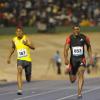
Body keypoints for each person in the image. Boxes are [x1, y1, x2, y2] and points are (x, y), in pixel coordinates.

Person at [64, 25, 92, 99]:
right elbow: (66, 49)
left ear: (79, 30)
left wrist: (90, 57)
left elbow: (89, 46)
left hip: (81, 59)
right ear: (72, 30)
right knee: (72, 80)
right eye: (75, 29)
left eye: (78, 29)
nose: (76, 30)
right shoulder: (69, 38)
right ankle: (71, 71)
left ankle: (79, 93)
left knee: (81, 73)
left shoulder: (84, 37)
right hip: (73, 60)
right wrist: (66, 58)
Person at [7, 26, 35, 95]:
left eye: (20, 31)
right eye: (17, 31)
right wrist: (9, 57)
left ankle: (28, 76)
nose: (18, 33)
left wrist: (27, 44)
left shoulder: (26, 38)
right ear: (15, 32)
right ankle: (19, 89)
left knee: (28, 78)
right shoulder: (14, 39)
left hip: (28, 60)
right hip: (20, 60)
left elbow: (33, 47)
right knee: (19, 71)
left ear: (22, 32)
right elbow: (13, 48)